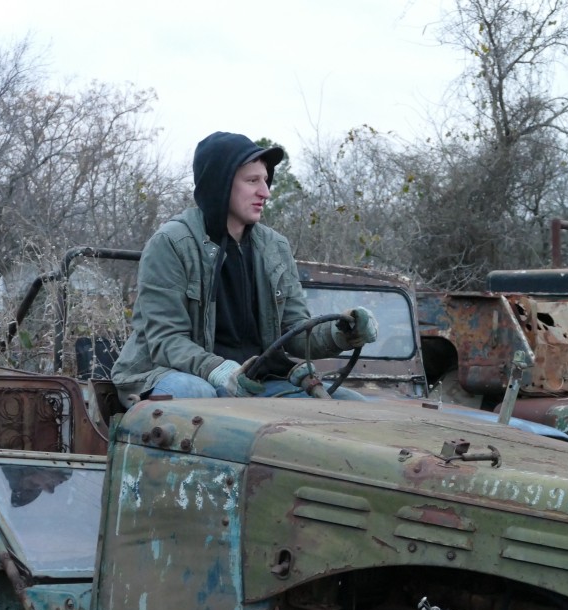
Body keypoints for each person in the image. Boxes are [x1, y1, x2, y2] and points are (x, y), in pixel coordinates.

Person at [111, 131, 378, 405]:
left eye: (265, 180)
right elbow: (166, 339)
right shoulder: (171, 243)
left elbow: (294, 331)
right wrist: (219, 370)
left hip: (253, 381)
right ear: (221, 184)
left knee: (355, 406)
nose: (266, 192)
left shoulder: (275, 247)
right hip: (170, 373)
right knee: (196, 395)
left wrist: (342, 333)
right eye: (252, 181)